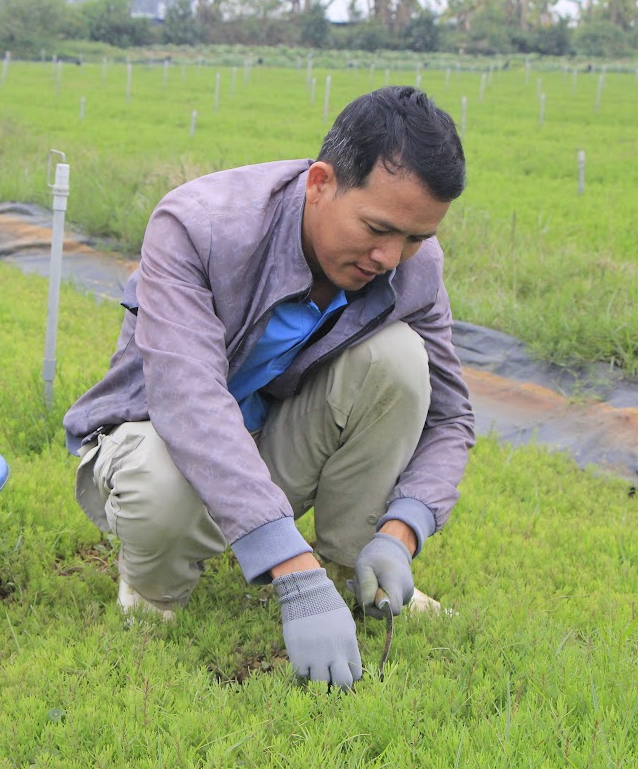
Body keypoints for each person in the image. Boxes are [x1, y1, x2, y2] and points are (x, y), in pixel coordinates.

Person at [64, 86, 474, 690]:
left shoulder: (412, 264)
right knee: (160, 478)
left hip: (271, 440)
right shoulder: (200, 227)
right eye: (378, 228)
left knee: (399, 360)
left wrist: (401, 530)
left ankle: (356, 568)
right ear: (321, 183)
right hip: (159, 439)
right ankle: (153, 593)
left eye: (415, 238)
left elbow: (450, 416)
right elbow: (189, 403)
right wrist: (291, 573)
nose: (391, 257)